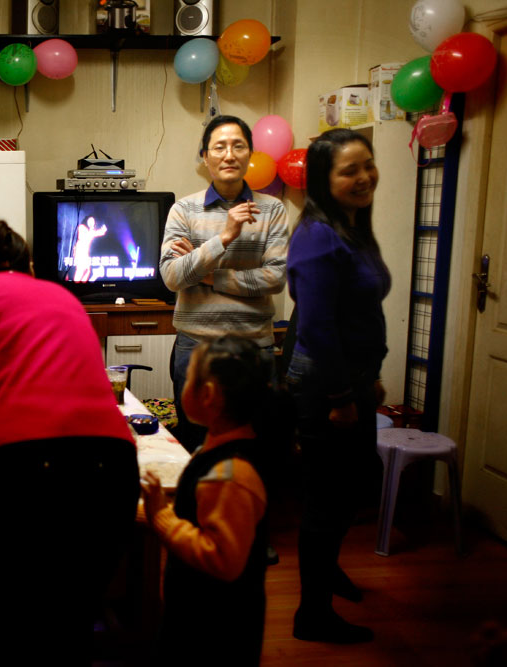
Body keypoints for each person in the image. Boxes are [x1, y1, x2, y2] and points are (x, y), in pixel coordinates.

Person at [0, 220, 140, 666]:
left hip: (13, 466)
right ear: (27, 266)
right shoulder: (64, 297)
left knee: (5, 628)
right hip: (113, 464)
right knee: (72, 621)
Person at [285, 128, 390, 644]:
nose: (364, 176)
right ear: (324, 182)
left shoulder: (352, 228)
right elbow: (318, 327)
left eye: (367, 164)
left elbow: (360, 312)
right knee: (328, 499)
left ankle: (326, 570)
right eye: (349, 170)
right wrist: (341, 398)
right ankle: (312, 614)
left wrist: (369, 378)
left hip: (353, 379)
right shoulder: (316, 236)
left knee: (356, 485)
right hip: (326, 384)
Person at [159, 115, 289, 452]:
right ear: (205, 157)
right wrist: (225, 237)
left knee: (255, 447)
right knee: (194, 444)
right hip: (196, 347)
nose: (229, 154)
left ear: (250, 154)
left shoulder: (272, 210)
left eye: (238, 146)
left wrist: (206, 274)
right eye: (219, 147)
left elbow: (274, 277)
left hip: (254, 349)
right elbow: (172, 277)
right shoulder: (183, 210)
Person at [141, 336, 273, 665]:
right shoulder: (215, 448)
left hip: (216, 626)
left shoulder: (231, 475)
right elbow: (203, 513)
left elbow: (222, 560)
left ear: (208, 395)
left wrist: (164, 519)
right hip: (194, 608)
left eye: (188, 378)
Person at [72, 214, 108, 282]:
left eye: (93, 221)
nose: (92, 222)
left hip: (85, 253)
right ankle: (75, 284)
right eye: (90, 221)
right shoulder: (82, 227)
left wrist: (103, 230)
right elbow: (83, 236)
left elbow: (97, 233)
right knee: (80, 270)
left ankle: (82, 284)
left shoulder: (91, 231)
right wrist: (97, 231)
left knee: (87, 270)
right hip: (80, 252)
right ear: (86, 221)